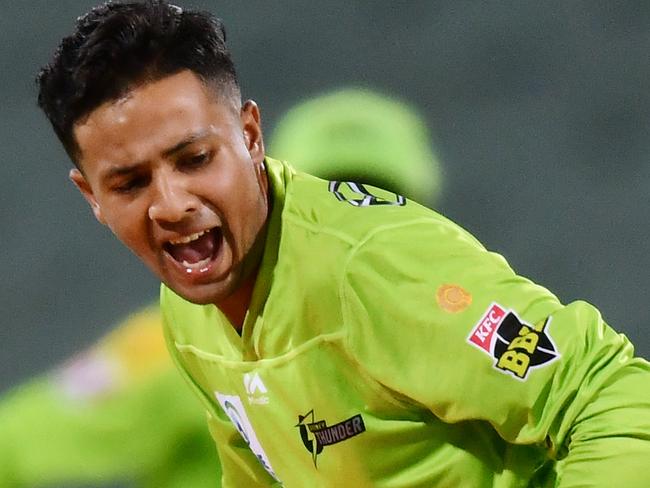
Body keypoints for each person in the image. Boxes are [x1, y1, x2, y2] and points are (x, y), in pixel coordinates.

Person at [35, 1, 650, 487]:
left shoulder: (370, 268)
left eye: (195, 159)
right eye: (130, 183)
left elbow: (613, 395)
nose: (171, 204)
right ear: (91, 196)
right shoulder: (187, 312)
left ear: (251, 136)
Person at [0, 85, 441, 488]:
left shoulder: (455, 322)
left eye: (376, 204)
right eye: (321, 201)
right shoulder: (183, 339)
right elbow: (15, 441)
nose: (345, 228)